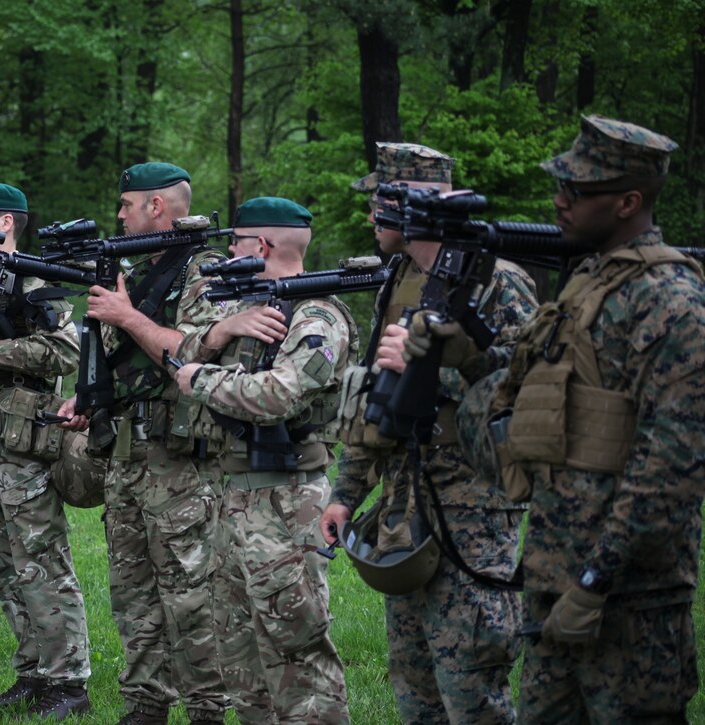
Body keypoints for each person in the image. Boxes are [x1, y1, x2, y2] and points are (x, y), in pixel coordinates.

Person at [415, 115, 705, 721]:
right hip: (554, 577)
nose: (559, 202)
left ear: (628, 202)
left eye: (577, 192)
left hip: (630, 602)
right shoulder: (586, 286)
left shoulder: (671, 301)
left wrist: (597, 580)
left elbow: (669, 468)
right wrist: (469, 358)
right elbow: (542, 391)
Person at [320, 143, 537, 724]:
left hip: (472, 505)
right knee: (414, 682)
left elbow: (526, 390)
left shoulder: (496, 279)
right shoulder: (401, 276)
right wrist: (345, 495)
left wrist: (441, 358)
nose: (372, 215)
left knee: (472, 686)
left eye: (380, 200)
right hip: (404, 503)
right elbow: (375, 398)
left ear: (411, 204)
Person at [57, 162, 229, 725]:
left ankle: (208, 708)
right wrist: (89, 401)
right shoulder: (143, 272)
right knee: (132, 593)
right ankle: (146, 705)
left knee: (190, 593)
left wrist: (126, 315)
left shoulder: (204, 272)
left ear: (157, 207)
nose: (120, 216)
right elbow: (122, 364)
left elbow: (193, 355)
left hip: (180, 462)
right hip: (126, 456)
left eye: (127, 205)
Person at [174, 197, 354, 723]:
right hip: (236, 497)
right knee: (240, 652)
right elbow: (185, 346)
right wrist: (216, 340)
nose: (229, 249)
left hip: (288, 498)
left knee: (296, 647)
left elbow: (281, 394)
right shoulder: (245, 310)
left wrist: (202, 380)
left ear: (262, 245)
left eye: (236, 241)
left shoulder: (318, 314)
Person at [0, 183, 91, 719]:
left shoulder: (35, 279)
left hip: (24, 444)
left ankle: (69, 683)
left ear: (6, 222)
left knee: (42, 563)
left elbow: (68, 351)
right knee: (6, 567)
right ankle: (32, 674)